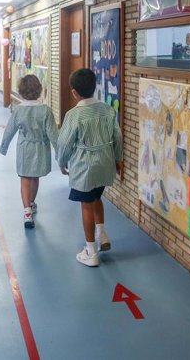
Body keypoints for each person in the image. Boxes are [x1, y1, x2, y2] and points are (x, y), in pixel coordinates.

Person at [57, 68, 123, 267]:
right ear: (95, 87)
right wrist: (118, 159)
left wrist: (62, 160)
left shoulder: (74, 115)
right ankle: (102, 234)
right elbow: (117, 136)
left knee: (86, 204)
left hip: (85, 166)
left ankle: (90, 251)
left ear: (74, 92)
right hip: (104, 163)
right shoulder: (107, 109)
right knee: (96, 198)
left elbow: (65, 142)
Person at [0, 74, 58, 229]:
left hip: (24, 148)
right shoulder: (45, 110)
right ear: (39, 90)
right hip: (40, 148)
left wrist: (3, 147)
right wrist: (60, 152)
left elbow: (9, 130)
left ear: (21, 90)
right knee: (35, 177)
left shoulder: (18, 110)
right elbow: (53, 134)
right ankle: (31, 204)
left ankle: (26, 213)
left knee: (24, 178)